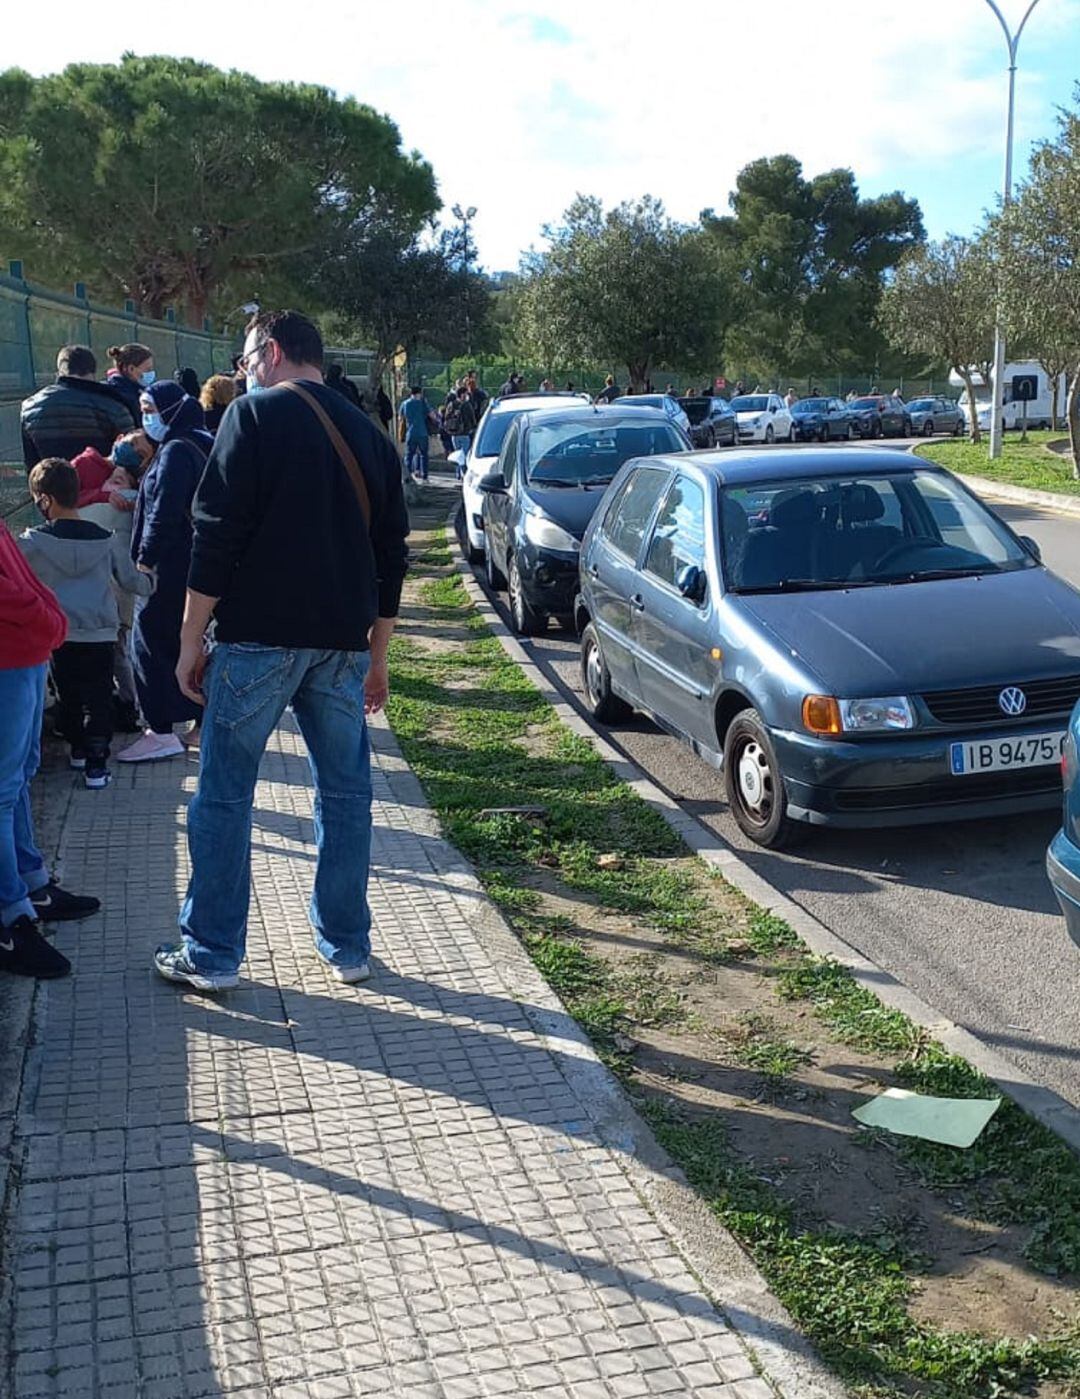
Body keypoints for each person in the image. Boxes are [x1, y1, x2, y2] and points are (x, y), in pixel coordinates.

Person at [153, 308, 409, 992]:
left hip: (258, 639)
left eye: (245, 359)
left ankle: (211, 954)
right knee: (347, 793)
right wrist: (378, 657)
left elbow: (215, 536)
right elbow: (393, 558)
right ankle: (348, 946)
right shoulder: (371, 434)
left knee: (224, 795)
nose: (243, 372)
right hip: (341, 647)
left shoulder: (253, 416)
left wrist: (187, 642)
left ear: (270, 351)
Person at [0, 518, 100, 979]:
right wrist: (45, 616)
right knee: (4, 789)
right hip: (11, 654)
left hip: (25, 653)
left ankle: (31, 886)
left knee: (19, 776)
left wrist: (45, 615)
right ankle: (10, 916)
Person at [19, 459, 153, 790]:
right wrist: (153, 579)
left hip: (59, 632)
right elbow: (133, 581)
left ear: (43, 500)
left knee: (67, 693)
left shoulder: (31, 543)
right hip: (100, 631)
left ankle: (77, 747)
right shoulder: (105, 539)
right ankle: (96, 762)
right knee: (98, 695)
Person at [119, 380, 212, 764]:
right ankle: (202, 724)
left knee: (148, 645)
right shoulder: (204, 442)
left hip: (169, 566)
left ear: (172, 411)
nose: (146, 419)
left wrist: (145, 558)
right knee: (192, 642)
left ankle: (159, 730)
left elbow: (164, 510)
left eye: (151, 410)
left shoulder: (174, 451)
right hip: (199, 563)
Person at [78, 433, 153, 733]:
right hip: (112, 599)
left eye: (122, 480)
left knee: (112, 652)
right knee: (118, 650)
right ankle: (127, 704)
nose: (115, 483)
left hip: (92, 602)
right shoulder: (93, 477)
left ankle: (120, 706)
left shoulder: (120, 504)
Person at [21, 345, 135, 472]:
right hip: (104, 486)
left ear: (59, 371)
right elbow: (131, 451)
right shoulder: (112, 404)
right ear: (93, 370)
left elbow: (31, 462)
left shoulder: (30, 405)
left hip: (52, 486)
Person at [104, 343, 155, 421]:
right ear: (131, 369)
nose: (151, 373)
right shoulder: (126, 397)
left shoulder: (136, 390)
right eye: (148, 369)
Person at [400, 385, 432, 481]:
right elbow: (431, 414)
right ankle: (424, 475)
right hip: (422, 433)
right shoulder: (422, 403)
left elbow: (401, 417)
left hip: (411, 433)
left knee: (409, 455)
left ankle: (407, 475)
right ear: (419, 393)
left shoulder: (404, 404)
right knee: (424, 455)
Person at [443, 386, 476, 464]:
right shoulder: (467, 405)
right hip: (465, 432)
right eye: (465, 393)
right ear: (462, 394)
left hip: (454, 432)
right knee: (465, 456)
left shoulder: (451, 405)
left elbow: (446, 417)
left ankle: (459, 473)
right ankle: (463, 473)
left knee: (457, 457)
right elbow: (472, 418)